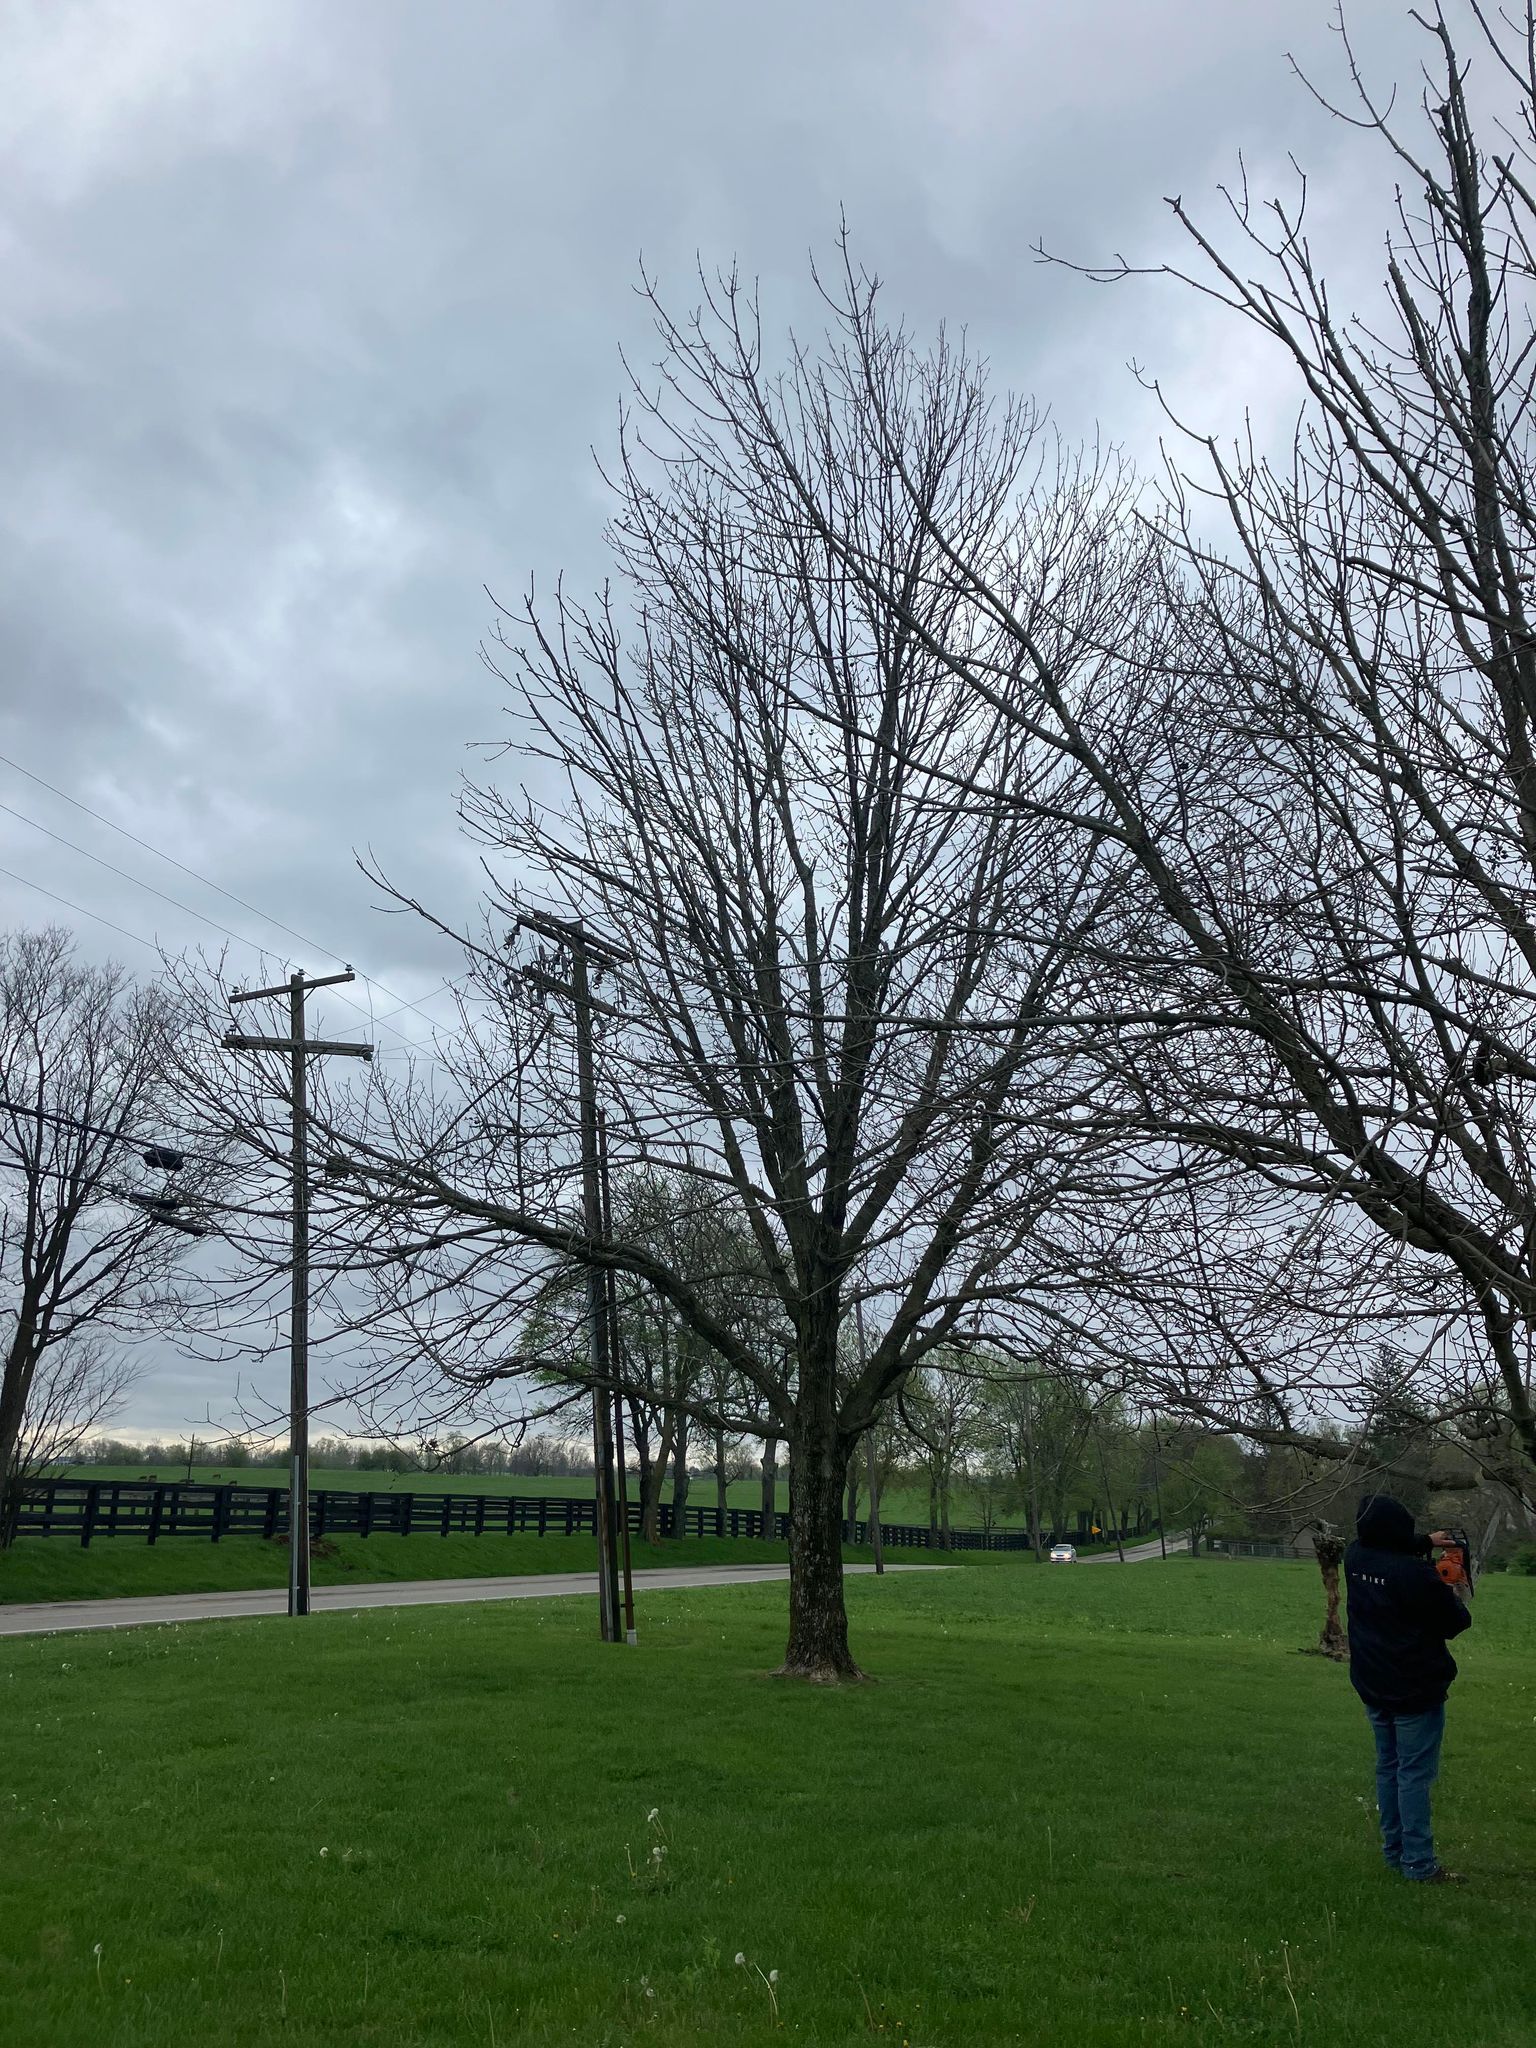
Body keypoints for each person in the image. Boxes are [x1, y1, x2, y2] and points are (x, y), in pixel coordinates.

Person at [1345, 1494, 1472, 1885]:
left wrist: (1427, 1543)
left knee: (1389, 1766)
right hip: (1414, 1686)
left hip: (1373, 1680)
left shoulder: (1355, 1557)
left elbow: (1388, 1547)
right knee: (1414, 1775)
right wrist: (1452, 1585)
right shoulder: (1414, 1575)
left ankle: (1394, 1851)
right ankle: (1418, 1863)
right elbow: (1455, 1623)